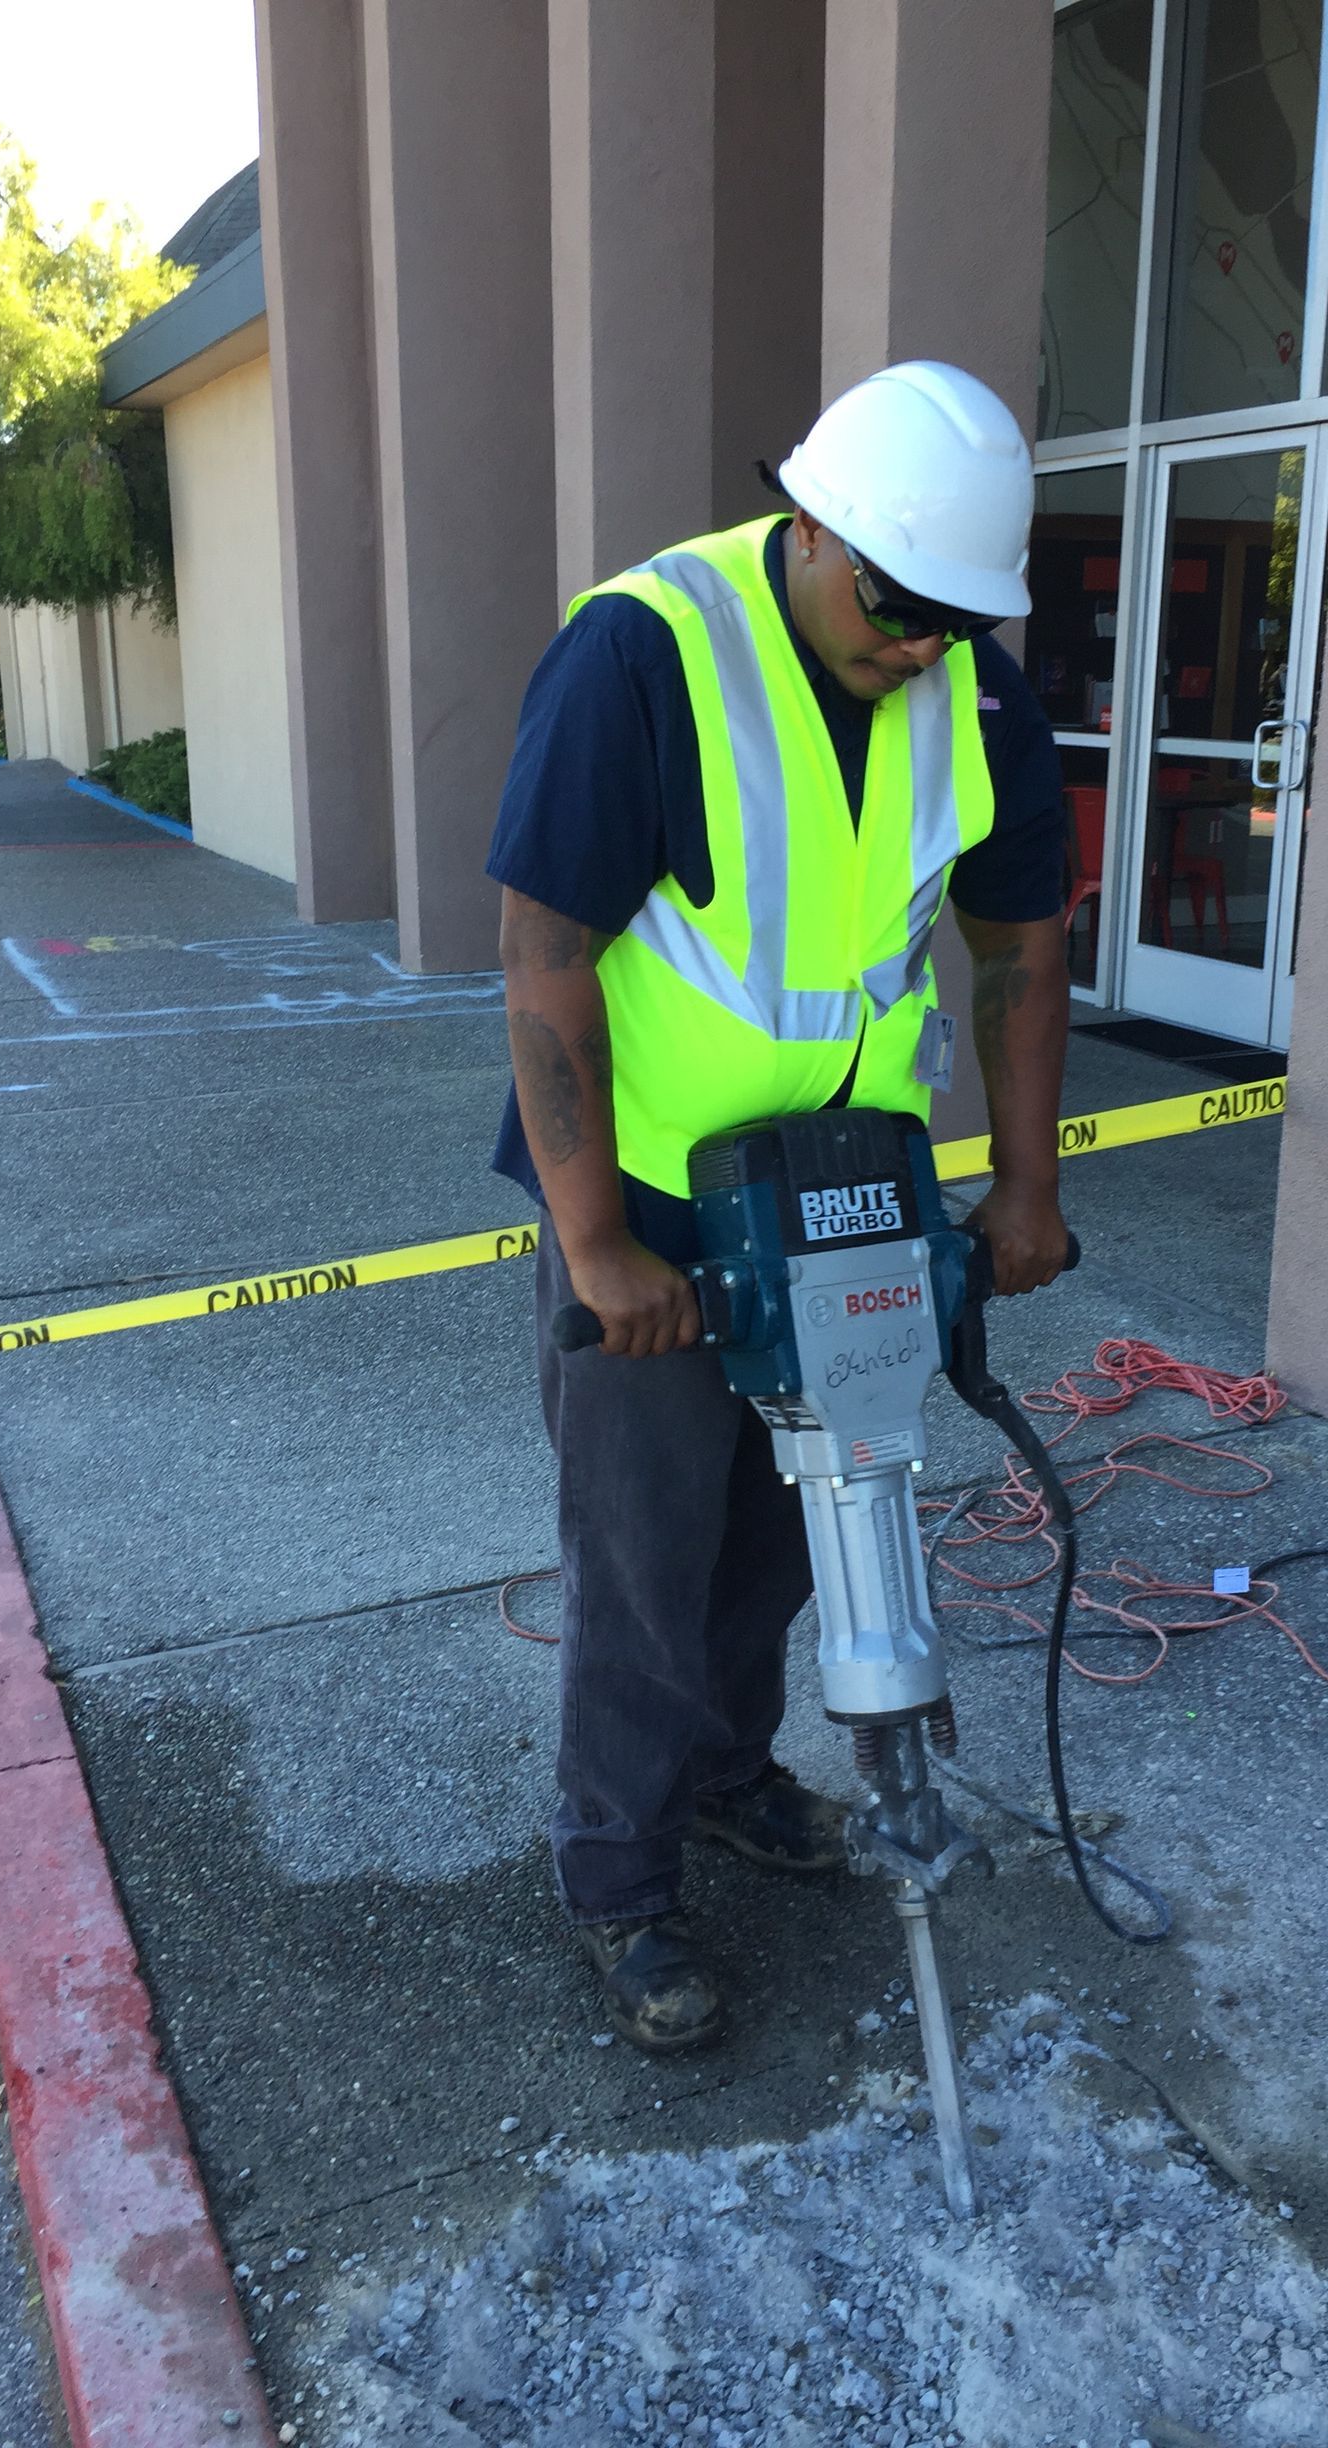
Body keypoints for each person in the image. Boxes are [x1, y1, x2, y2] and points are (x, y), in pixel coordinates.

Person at [488, 361, 1071, 2056]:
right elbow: (543, 960)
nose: (924, 643)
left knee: (792, 1537)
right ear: (810, 524)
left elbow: (1020, 944)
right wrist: (597, 1243)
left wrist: (1027, 1182)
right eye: (899, 601)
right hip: (660, 1200)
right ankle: (618, 1878)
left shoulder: (975, 690)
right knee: (649, 1556)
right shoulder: (644, 652)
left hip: (850, 1194)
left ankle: (736, 1780)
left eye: (960, 617)